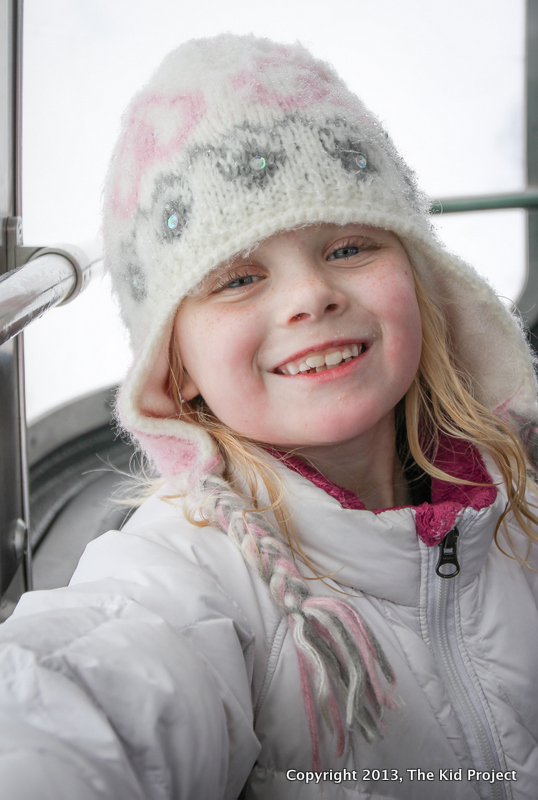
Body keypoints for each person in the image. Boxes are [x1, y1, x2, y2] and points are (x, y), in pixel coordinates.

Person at [1, 33, 538, 800]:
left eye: (350, 245)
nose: (308, 296)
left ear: (419, 280)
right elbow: (74, 699)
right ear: (175, 365)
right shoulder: (187, 571)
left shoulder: (518, 502)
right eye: (239, 278)